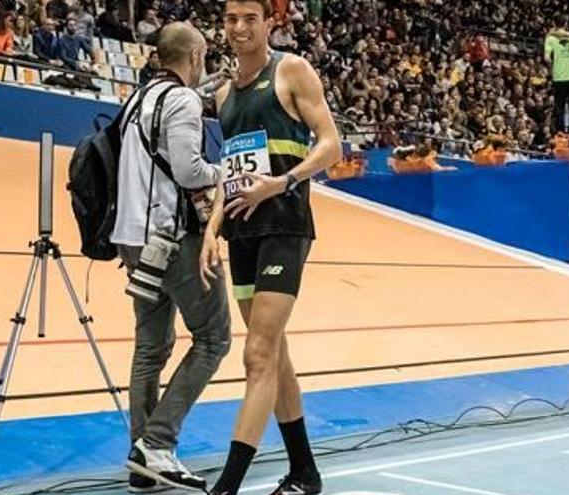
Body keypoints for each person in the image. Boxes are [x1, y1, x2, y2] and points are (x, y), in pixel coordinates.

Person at [201, 0, 341, 493]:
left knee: (257, 355)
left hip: (283, 224)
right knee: (274, 354)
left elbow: (331, 145)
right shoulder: (222, 94)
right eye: (231, 19)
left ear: (268, 23)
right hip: (241, 233)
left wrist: (281, 183)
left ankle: (229, 484)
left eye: (250, 19)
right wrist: (211, 228)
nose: (239, 28)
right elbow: (229, 172)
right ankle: (305, 471)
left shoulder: (292, 70)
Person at [112, 21, 231, 494]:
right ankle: (157, 444)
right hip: (173, 239)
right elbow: (188, 169)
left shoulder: (138, 98)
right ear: (197, 54)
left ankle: (142, 457)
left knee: (151, 347)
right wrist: (229, 172)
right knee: (213, 338)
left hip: (132, 238)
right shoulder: (182, 101)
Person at [544, 17, 569, 135]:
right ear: (566, 24)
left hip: (559, 77)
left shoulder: (550, 38)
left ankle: (560, 132)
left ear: (553, 23)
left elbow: (546, 58)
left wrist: (554, 65)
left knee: (559, 107)